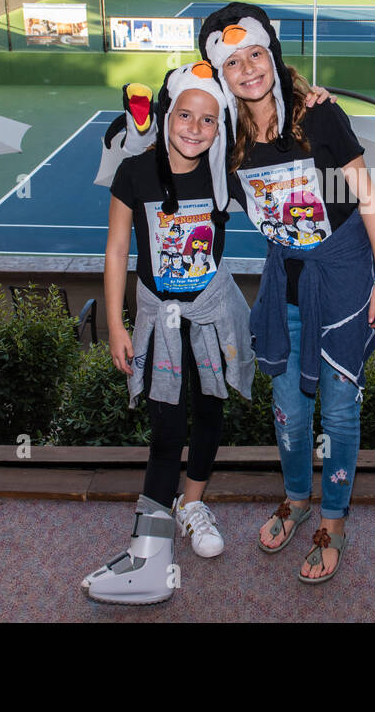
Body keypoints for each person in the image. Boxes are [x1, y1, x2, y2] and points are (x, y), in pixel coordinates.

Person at [199, 2, 375, 585]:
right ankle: (296, 497)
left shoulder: (320, 117)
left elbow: (367, 197)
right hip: (281, 289)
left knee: (337, 414)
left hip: (341, 284)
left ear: (272, 54)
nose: (247, 69)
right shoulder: (228, 135)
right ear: (221, 74)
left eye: (255, 54)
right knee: (288, 413)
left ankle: (333, 518)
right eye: (232, 62)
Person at [81, 61, 254, 605]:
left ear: (218, 126)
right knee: (166, 428)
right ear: (167, 113)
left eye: (208, 119)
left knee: (210, 409)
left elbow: (283, 173)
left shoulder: (225, 174)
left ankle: (192, 504)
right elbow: (114, 250)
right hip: (159, 318)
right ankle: (149, 554)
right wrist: (115, 323)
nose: (195, 128)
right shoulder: (135, 172)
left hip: (211, 314)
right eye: (185, 114)